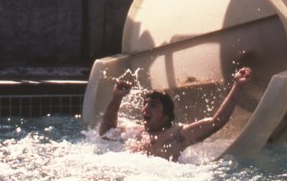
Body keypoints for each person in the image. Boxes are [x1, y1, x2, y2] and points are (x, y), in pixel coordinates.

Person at [98, 67, 254, 161]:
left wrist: (237, 86)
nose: (145, 108)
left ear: (166, 115)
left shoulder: (178, 135)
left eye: (152, 105)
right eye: (145, 104)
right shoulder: (133, 132)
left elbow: (216, 122)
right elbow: (105, 133)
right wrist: (116, 98)